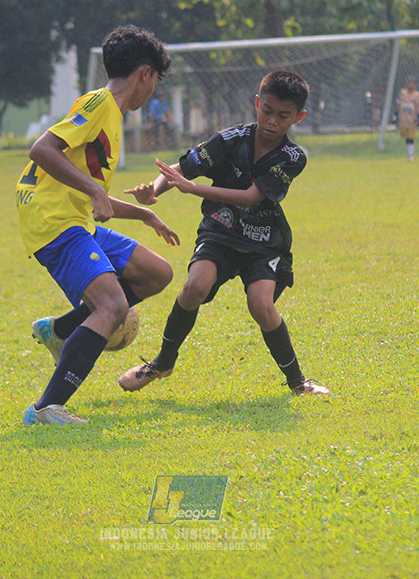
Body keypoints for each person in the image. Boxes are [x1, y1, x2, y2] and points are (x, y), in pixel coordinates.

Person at [118, 70, 330, 396]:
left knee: (261, 305)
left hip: (264, 241)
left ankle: (298, 382)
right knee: (194, 287)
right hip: (221, 230)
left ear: (298, 117)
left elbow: (250, 197)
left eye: (283, 116)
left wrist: (194, 189)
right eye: (267, 111)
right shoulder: (230, 140)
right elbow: (180, 170)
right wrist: (154, 192)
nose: (272, 121)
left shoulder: (292, 157)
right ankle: (162, 363)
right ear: (257, 103)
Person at [18, 25, 180, 426]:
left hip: (73, 219)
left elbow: (92, 198)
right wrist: (94, 190)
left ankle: (61, 331)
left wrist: (143, 213)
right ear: (144, 74)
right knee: (113, 306)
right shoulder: (100, 103)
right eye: (155, 82)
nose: (152, 92)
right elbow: (42, 149)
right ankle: (46, 408)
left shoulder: (109, 114)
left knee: (156, 272)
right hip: (55, 222)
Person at [397, 77, 419, 162]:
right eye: (409, 83)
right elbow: (398, 103)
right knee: (405, 137)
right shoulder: (403, 93)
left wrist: (418, 117)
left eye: (412, 83)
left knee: (411, 137)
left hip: (412, 119)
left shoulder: (416, 95)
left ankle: (411, 154)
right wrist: (395, 114)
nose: (411, 85)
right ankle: (410, 152)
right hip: (403, 119)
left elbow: (417, 106)